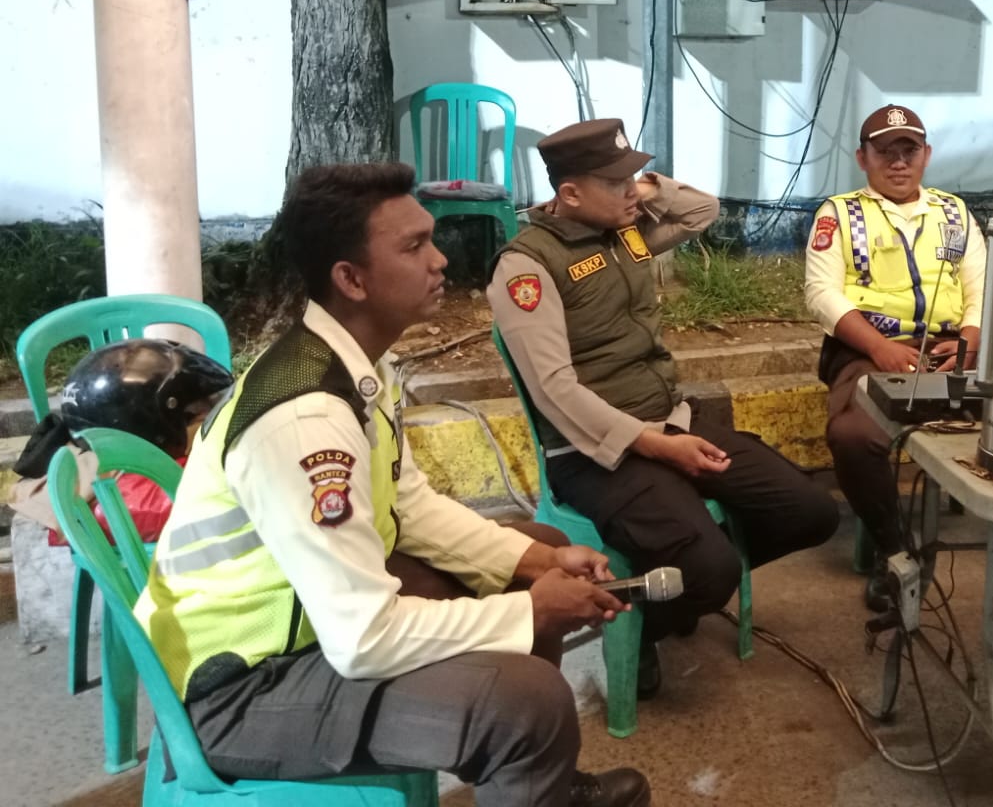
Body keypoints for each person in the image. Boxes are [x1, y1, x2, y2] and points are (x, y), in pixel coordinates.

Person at [136, 163, 649, 807]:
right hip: (241, 690)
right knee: (530, 702)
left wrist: (537, 562)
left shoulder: (350, 363)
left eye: (430, 239)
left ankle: (532, 780)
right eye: (413, 247)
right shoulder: (306, 419)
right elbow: (363, 638)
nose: (440, 260)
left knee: (537, 550)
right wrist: (531, 612)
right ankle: (529, 758)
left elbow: (410, 505)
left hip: (305, 624)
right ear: (351, 279)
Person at [490, 119, 838, 698]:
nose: (632, 192)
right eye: (615, 182)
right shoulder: (527, 266)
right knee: (711, 569)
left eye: (633, 179)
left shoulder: (625, 232)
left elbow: (702, 210)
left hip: (672, 421)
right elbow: (554, 389)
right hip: (593, 454)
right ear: (569, 193)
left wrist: (638, 187)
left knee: (810, 511)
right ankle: (639, 626)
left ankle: (679, 591)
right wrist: (654, 446)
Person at [805, 104, 993, 613]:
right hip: (870, 349)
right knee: (853, 435)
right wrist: (879, 347)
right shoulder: (839, 213)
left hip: (953, 349)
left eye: (909, 150)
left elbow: (983, 283)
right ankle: (895, 551)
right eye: (885, 152)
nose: (898, 162)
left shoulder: (954, 212)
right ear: (863, 159)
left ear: (926, 155)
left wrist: (971, 338)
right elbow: (820, 294)